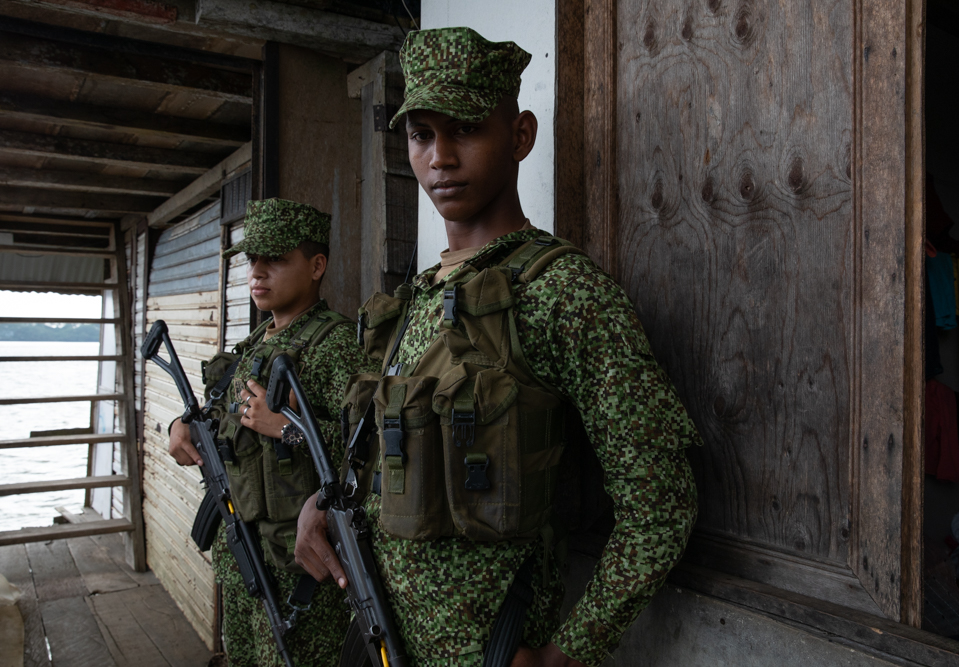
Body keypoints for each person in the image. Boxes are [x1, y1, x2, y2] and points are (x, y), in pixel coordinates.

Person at [295, 27, 700, 667]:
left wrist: (566, 654)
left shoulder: (562, 292)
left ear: (520, 135)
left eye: (467, 129)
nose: (440, 157)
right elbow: (387, 450)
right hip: (379, 635)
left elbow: (661, 504)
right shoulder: (415, 297)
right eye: (422, 134)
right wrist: (323, 503)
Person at [168, 198, 377, 666]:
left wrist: (286, 427)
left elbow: (371, 450)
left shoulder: (337, 346)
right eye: (252, 260)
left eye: (276, 259)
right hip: (243, 549)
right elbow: (221, 417)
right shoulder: (254, 344)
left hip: (298, 569)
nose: (258, 272)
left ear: (316, 265)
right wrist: (180, 424)